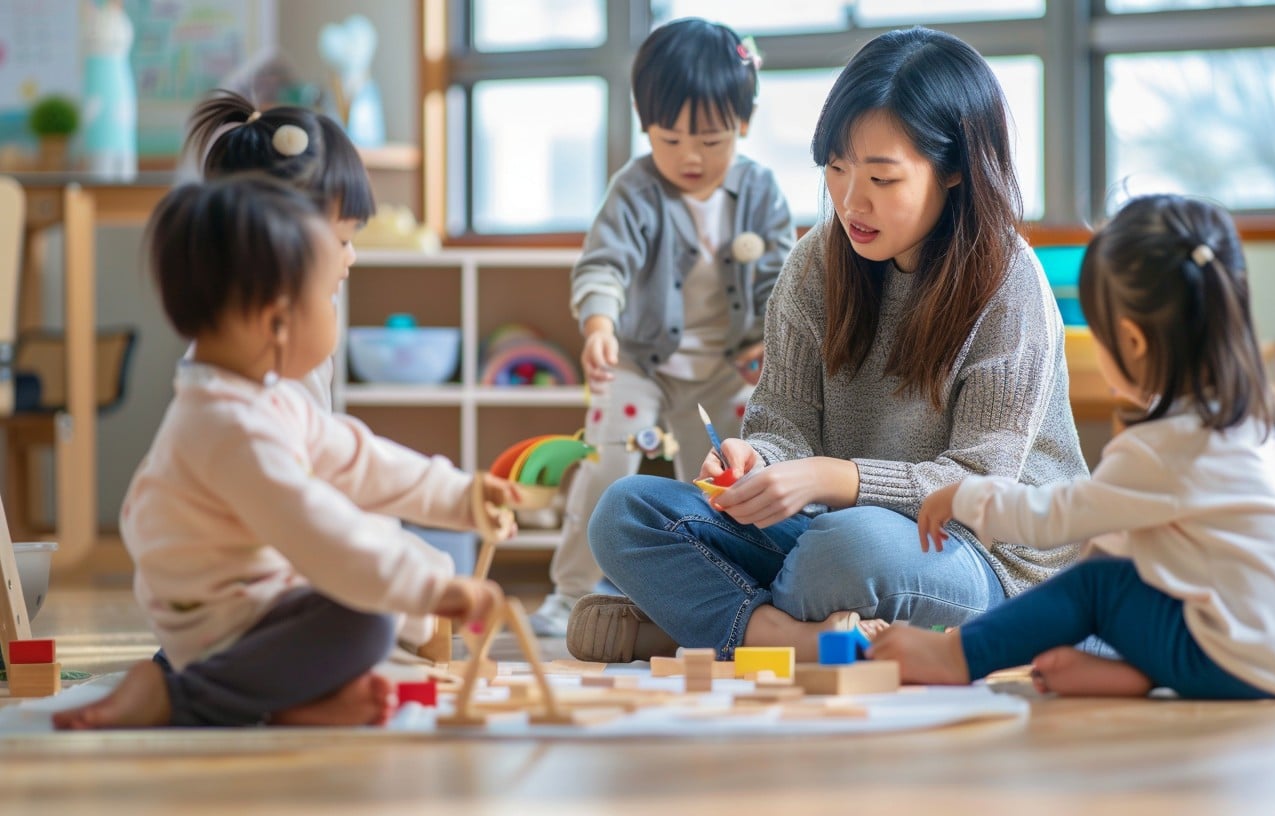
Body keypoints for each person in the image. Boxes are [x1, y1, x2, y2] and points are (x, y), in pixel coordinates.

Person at [568, 27, 1087, 663]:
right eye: (837, 169)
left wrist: (831, 478)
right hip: (827, 530)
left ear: (953, 169)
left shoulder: (1008, 282)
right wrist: (754, 459)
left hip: (984, 554)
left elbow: (980, 485)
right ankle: (797, 639)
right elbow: (783, 426)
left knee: (846, 552)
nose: (850, 200)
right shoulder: (817, 261)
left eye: (882, 178)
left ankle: (695, 624)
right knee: (626, 512)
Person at [53, 176, 518, 729]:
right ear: (276, 322)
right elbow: (319, 529)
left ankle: (301, 702)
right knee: (367, 617)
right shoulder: (231, 429)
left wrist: (461, 495)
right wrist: (431, 590)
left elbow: (359, 460)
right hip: (214, 623)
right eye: (327, 297)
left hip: (257, 599)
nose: (334, 309)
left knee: (371, 598)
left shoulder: (262, 399)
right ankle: (177, 696)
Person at [872, 194, 1275, 699]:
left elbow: (1053, 519)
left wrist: (967, 494)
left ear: (1132, 342)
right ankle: (1136, 672)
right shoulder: (1256, 426)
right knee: (1134, 561)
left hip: (1237, 659)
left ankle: (954, 656)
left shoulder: (1163, 448)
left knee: (1096, 584)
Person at [528, 17, 796, 637]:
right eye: (669, 139)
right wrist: (599, 326)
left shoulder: (760, 191)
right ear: (645, 125)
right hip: (639, 362)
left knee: (734, 472)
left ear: (744, 124)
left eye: (711, 139)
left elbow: (781, 283)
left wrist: (766, 342)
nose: (690, 157)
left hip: (727, 363)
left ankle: (717, 585)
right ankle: (571, 592)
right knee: (605, 460)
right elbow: (605, 263)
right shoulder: (635, 189)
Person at [181, 88, 376, 411]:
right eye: (341, 241)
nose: (350, 256)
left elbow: (335, 444)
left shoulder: (274, 342)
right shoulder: (259, 376)